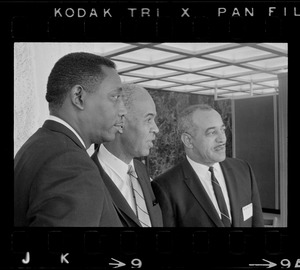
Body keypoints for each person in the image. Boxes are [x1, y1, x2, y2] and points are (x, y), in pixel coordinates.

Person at [14, 52, 127, 227]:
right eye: (115, 97)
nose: (123, 110)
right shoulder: (72, 166)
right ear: (78, 97)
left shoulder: (36, 146)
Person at [152, 104, 264, 227]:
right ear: (188, 140)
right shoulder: (165, 187)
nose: (222, 139)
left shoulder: (243, 170)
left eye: (222, 130)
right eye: (212, 133)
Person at [91, 84, 163, 227]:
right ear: (120, 121)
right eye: (148, 119)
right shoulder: (86, 180)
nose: (156, 129)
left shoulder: (140, 170)